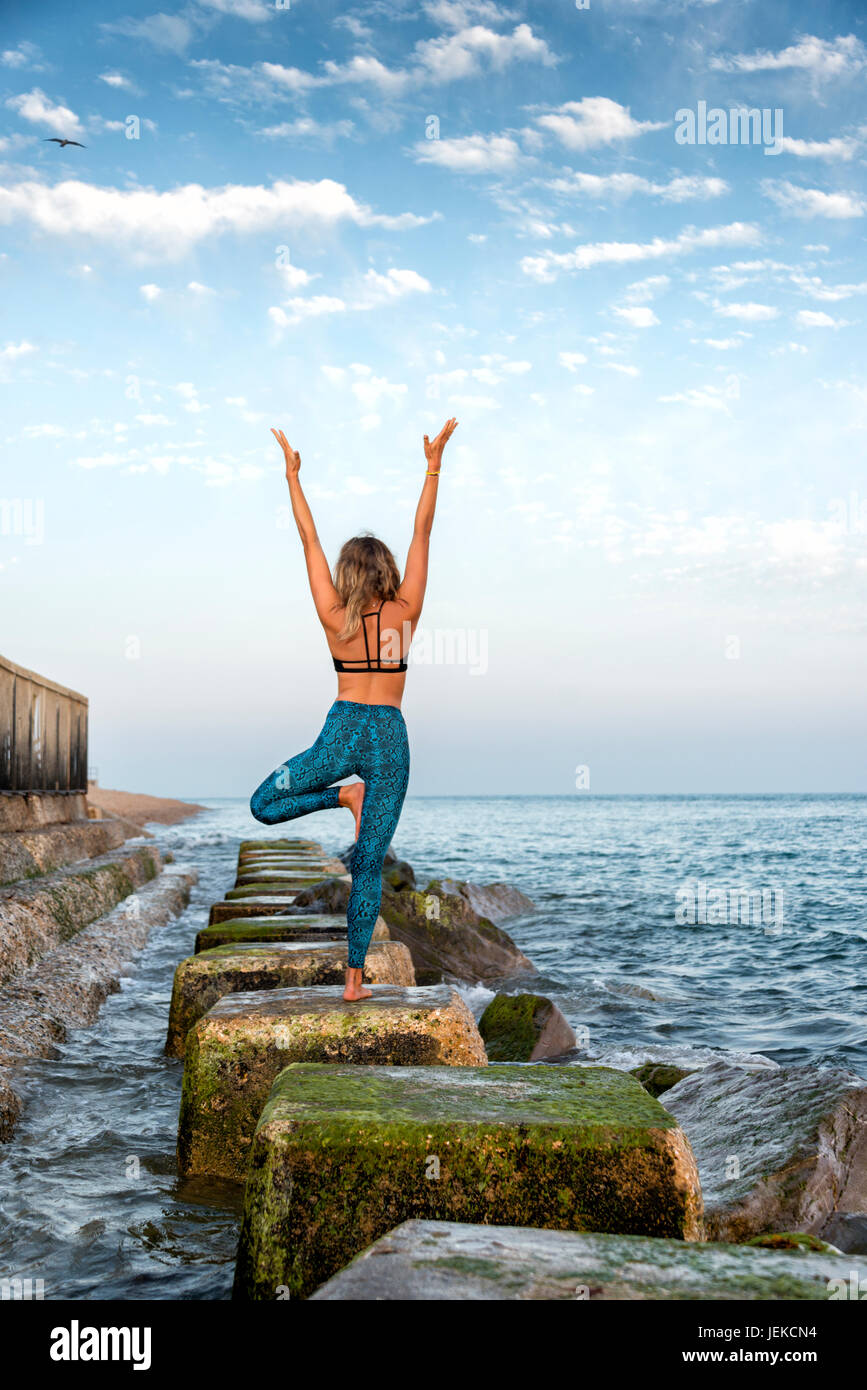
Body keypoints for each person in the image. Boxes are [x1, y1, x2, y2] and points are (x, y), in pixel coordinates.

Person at [250, 418, 458, 1000]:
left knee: (263, 804)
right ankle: (353, 980)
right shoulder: (406, 612)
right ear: (387, 571)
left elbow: (308, 540)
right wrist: (433, 465)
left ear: (348, 574)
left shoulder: (332, 616)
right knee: (368, 864)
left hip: (342, 733)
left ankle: (339, 794)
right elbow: (424, 531)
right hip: (388, 737)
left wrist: (292, 478)